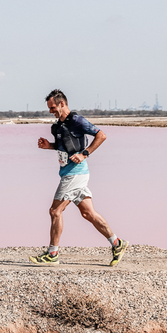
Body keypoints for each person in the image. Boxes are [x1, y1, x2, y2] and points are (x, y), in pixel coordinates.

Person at [29, 90, 128, 266]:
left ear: (62, 104)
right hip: (70, 172)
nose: (51, 111)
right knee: (88, 213)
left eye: (52, 107)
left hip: (75, 173)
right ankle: (117, 243)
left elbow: (101, 135)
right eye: (49, 108)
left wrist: (85, 153)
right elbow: (64, 147)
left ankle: (52, 254)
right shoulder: (57, 127)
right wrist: (49, 146)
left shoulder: (77, 121)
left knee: (55, 211)